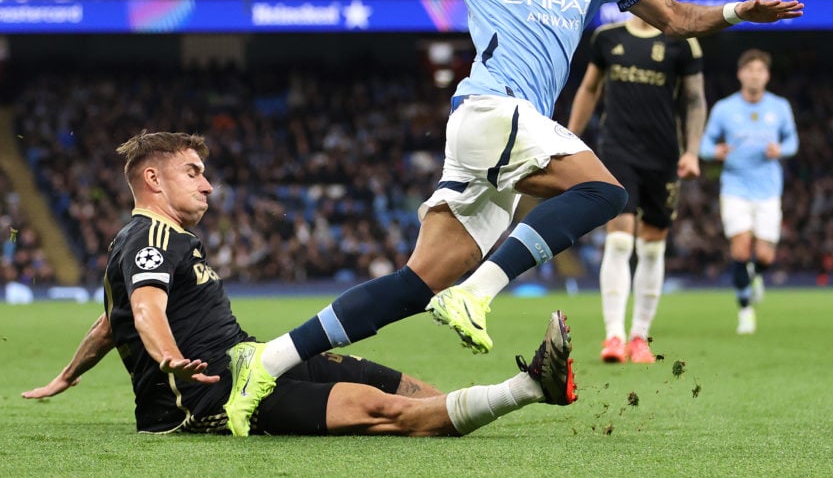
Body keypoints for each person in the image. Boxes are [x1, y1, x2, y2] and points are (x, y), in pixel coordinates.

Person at [234, 0, 802, 433]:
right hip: (491, 109)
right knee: (606, 194)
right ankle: (476, 295)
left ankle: (266, 361)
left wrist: (739, 12)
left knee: (413, 285)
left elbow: (679, 18)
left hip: (507, 130)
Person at [22, 131, 577, 438]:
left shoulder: (159, 242)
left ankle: (498, 399)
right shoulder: (151, 237)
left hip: (253, 359)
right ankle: (529, 387)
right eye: (193, 172)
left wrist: (66, 376)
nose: (209, 186)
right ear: (152, 179)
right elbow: (142, 312)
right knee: (381, 411)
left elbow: (109, 321)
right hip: (209, 394)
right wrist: (168, 358)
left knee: (403, 386)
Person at [566, 0, 706, 363]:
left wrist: (692, 150)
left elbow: (695, 100)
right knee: (621, 238)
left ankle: (639, 336)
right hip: (618, 151)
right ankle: (613, 336)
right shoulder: (607, 38)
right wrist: (570, 138)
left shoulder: (683, 42)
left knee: (651, 249)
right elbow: (589, 89)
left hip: (664, 155)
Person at [698, 50, 799, 334]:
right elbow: (704, 144)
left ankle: (755, 276)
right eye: (750, 69)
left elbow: (792, 141)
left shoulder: (779, 107)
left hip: (768, 188)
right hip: (735, 186)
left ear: (767, 76)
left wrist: (781, 150)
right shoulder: (724, 108)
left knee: (765, 256)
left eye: (760, 70)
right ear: (740, 74)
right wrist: (714, 151)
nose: (755, 75)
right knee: (741, 246)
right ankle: (745, 310)